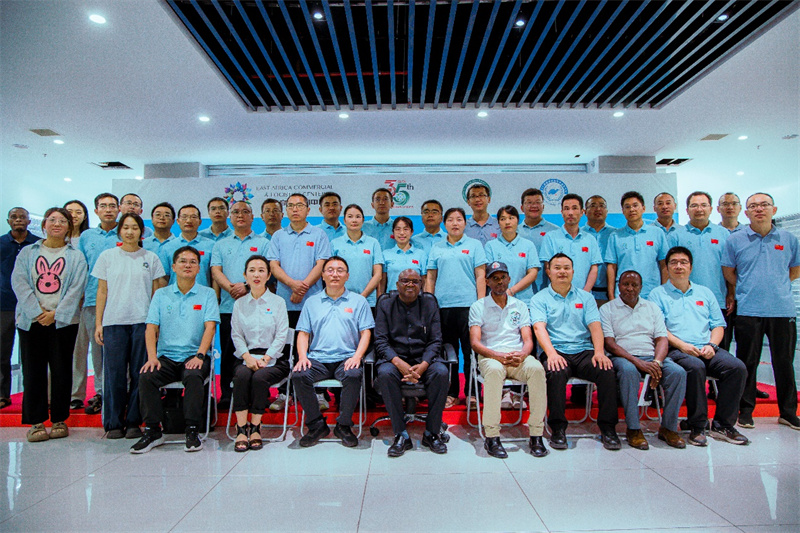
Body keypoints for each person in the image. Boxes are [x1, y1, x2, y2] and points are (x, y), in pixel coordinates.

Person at [649, 246, 749, 446]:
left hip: (706, 347)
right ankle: (697, 425)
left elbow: (718, 325)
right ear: (667, 268)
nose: (679, 266)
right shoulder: (657, 294)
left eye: (683, 262)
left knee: (737, 368)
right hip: (676, 350)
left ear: (691, 267)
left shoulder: (705, 293)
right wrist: (683, 346)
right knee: (695, 367)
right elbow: (659, 329)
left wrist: (712, 345)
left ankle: (723, 425)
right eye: (673, 263)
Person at [130, 246, 220, 453]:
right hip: (167, 357)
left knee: (194, 376)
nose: (187, 265)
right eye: (183, 261)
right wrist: (152, 357)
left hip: (195, 355)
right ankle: (153, 431)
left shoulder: (207, 294)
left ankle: (192, 430)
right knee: (147, 376)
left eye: (192, 262)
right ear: (173, 267)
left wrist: (200, 355)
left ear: (199, 268)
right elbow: (151, 328)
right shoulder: (161, 295)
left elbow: (210, 328)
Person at [722, 192, 800, 430]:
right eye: (753, 206)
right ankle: (746, 410)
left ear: (773, 210)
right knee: (747, 362)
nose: (759, 209)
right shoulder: (735, 240)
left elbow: (795, 269)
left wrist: (776, 286)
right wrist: (748, 288)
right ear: (746, 213)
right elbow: (728, 271)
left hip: (782, 310)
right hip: (749, 310)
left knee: (784, 363)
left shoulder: (789, 239)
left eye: (764, 205)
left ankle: (788, 412)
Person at [529, 253, 620, 451]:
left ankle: (608, 429)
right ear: (548, 272)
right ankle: (558, 429)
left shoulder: (586, 298)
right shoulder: (539, 298)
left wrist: (599, 352)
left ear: (573, 271)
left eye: (566, 268)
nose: (562, 272)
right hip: (556, 350)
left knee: (606, 370)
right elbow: (539, 328)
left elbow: (595, 327)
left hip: (583, 350)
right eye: (557, 268)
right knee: (556, 372)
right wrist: (551, 354)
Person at [11, 207, 87, 441]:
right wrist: (37, 312)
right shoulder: (28, 253)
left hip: (63, 322)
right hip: (31, 321)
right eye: (52, 220)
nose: (57, 224)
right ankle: (36, 422)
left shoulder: (75, 256)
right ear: (44, 224)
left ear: (69, 226)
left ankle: (59, 420)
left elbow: (77, 288)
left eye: (62, 221)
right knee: (33, 370)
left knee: (62, 370)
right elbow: (19, 282)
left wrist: (56, 314)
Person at [93, 213, 166, 439]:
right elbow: (102, 291)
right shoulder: (107, 256)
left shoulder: (150, 258)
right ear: (119, 231)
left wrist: (155, 324)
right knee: (114, 374)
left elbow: (157, 293)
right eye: (126, 227)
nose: (130, 232)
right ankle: (113, 423)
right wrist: (98, 323)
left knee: (139, 373)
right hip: (113, 322)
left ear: (141, 232)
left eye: (135, 228)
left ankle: (134, 421)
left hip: (142, 322)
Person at [292, 256, 374, 448]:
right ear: (322, 275)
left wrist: (357, 356)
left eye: (340, 270)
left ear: (347, 276)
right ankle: (316, 425)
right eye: (330, 270)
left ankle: (343, 426)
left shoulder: (359, 301)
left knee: (353, 375)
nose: (335, 274)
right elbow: (303, 333)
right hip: (318, 359)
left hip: (346, 358)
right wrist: (302, 357)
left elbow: (366, 333)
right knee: (299, 375)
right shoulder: (311, 302)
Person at [599, 270, 687, 450]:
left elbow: (662, 339)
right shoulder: (607, 309)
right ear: (618, 286)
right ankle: (633, 429)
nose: (630, 288)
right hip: (623, 357)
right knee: (629, 371)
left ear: (641, 287)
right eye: (626, 284)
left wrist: (657, 363)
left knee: (678, 373)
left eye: (634, 285)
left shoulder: (652, 308)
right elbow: (609, 343)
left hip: (651, 356)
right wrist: (637, 362)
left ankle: (668, 428)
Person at [470, 262, 548, 459]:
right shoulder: (478, 306)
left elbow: (528, 340)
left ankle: (536, 434)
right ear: (487, 282)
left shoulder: (519, 306)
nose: (500, 282)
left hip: (516, 356)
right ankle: (492, 437)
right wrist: (496, 355)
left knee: (537, 369)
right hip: (490, 356)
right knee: (495, 371)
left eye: (503, 277)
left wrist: (523, 354)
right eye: (495, 278)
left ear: (509, 279)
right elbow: (475, 342)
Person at [267, 193, 331, 411]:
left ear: (308, 209)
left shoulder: (319, 234)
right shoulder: (278, 236)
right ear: (286, 210)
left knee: (315, 348)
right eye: (291, 206)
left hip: (313, 303)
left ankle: (319, 393)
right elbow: (273, 266)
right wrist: (293, 285)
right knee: (285, 349)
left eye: (300, 205)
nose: (295, 209)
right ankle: (285, 393)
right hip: (285, 303)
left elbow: (321, 264)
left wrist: (302, 288)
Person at [374, 268, 448, 456]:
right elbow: (381, 341)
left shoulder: (430, 304)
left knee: (441, 372)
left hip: (424, 359)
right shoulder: (385, 304)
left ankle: (432, 433)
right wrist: (399, 363)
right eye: (405, 281)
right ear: (397, 284)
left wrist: (423, 365)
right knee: (385, 373)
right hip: (394, 358)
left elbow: (436, 340)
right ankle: (401, 434)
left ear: (421, 285)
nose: (410, 284)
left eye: (415, 282)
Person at [210, 201, 271, 411]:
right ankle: (228, 395)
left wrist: (247, 286)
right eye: (236, 212)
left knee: (257, 351)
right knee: (230, 353)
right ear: (230, 216)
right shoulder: (221, 244)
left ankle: (258, 394)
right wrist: (231, 288)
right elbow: (216, 271)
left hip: (258, 308)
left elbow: (268, 271)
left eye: (245, 212)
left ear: (253, 217)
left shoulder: (263, 243)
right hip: (229, 307)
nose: (240, 215)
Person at [426, 207, 487, 408]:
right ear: (444, 224)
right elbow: (431, 278)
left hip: (469, 306)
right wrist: (429, 304)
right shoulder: (437, 247)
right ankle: (451, 392)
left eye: (459, 219)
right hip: (443, 307)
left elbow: (480, 275)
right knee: (447, 352)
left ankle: (472, 392)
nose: (455, 223)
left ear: (465, 223)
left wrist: (480, 304)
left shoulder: (475, 245)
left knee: (471, 351)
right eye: (450, 219)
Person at [230, 255, 289, 452]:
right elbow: (236, 335)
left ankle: (255, 427)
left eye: (261, 270)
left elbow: (281, 335)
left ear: (269, 275)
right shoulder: (239, 304)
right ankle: (241, 428)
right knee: (241, 376)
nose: (256, 275)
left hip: (274, 359)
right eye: (252, 271)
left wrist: (266, 358)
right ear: (245, 275)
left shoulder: (278, 302)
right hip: (246, 357)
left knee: (260, 377)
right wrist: (247, 357)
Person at [484, 205, 540, 410]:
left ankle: (520, 392)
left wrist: (512, 290)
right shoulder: (491, 245)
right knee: (501, 341)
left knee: (523, 343)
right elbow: (489, 274)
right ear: (498, 223)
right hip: (498, 302)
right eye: (502, 218)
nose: (507, 222)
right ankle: (503, 391)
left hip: (523, 301)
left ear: (518, 220)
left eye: (511, 218)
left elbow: (533, 272)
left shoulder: (528, 245)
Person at [74, 192, 122, 415]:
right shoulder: (87, 236)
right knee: (98, 349)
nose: (108, 210)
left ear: (119, 209)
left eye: (112, 206)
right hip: (93, 299)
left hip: (122, 300)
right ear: (96, 211)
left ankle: (122, 391)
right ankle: (102, 393)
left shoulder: (126, 232)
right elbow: (81, 267)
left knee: (122, 350)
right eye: (103, 206)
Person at [669, 192, 732, 352]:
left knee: (718, 351)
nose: (699, 209)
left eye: (703, 205)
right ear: (687, 210)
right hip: (684, 301)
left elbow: (730, 267)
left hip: (718, 300)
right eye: (694, 205)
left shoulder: (723, 234)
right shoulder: (676, 235)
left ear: (711, 208)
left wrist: (731, 292)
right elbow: (669, 267)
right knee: (689, 351)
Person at [1, 207, 39, 409]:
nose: (18, 220)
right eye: (14, 217)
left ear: (29, 221)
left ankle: (31, 395)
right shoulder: (0, 243)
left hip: (31, 305)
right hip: (4, 304)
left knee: (31, 354)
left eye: (22, 217)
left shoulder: (37, 245)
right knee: (2, 351)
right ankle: (2, 395)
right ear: (8, 221)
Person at [605, 191, 668, 300]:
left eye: (635, 205)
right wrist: (611, 296)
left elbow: (664, 265)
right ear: (623, 211)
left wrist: (664, 292)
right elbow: (611, 267)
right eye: (627, 207)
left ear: (643, 208)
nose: (632, 209)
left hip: (652, 293)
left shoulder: (657, 233)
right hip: (623, 295)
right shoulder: (615, 236)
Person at [539, 194, 602, 292]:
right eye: (566, 209)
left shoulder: (590, 239)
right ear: (562, 212)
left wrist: (584, 293)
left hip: (583, 295)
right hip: (556, 294)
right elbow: (547, 267)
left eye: (574, 208)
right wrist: (561, 290)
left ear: (582, 212)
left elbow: (594, 268)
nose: (570, 213)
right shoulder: (550, 237)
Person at [331, 204, 384, 307]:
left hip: (367, 300)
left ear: (363, 220)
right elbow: (330, 274)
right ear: (344, 220)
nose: (354, 220)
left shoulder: (373, 243)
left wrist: (362, 296)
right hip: (340, 300)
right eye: (350, 217)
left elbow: (378, 274)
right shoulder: (335, 243)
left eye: (358, 217)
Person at [161, 204, 215, 287]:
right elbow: (164, 277)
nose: (189, 221)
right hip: (174, 294)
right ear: (178, 221)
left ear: (200, 222)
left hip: (203, 293)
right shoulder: (167, 247)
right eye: (184, 217)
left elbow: (215, 276)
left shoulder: (211, 245)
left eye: (193, 217)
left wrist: (215, 295)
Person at [518, 188, 559, 293]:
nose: (534, 206)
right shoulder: (514, 232)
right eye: (529, 203)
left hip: (548, 290)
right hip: (520, 290)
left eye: (537, 202)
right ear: (522, 208)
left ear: (543, 206)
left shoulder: (555, 231)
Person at [581, 195, 616, 305]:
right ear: (584, 212)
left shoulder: (616, 234)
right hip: (583, 293)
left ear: (607, 211)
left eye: (602, 206)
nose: (598, 209)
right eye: (593, 206)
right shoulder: (578, 235)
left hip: (610, 294)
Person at [382, 217, 427, 293]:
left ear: (411, 232)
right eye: (398, 229)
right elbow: (382, 283)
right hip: (392, 298)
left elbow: (424, 281)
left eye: (406, 229)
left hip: (415, 297)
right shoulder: (385, 254)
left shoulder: (421, 254)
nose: (402, 233)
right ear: (393, 232)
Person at [143, 202, 176, 275]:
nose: (161, 218)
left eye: (166, 215)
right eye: (158, 215)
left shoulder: (179, 245)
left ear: (173, 221)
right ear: (152, 219)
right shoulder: (143, 244)